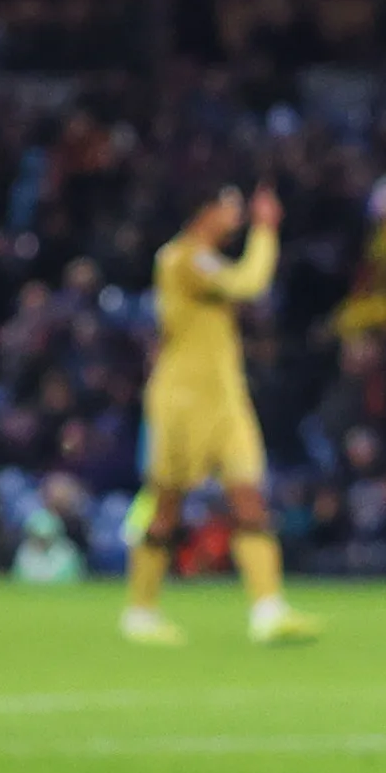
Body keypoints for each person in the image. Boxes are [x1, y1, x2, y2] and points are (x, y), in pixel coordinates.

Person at [125, 186, 319, 647]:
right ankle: (140, 610)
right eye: (228, 207)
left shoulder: (203, 261)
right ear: (203, 211)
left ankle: (268, 609)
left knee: (249, 496)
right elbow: (248, 283)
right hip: (182, 401)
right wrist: (267, 229)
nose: (235, 215)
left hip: (226, 398)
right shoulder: (180, 259)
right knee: (167, 505)